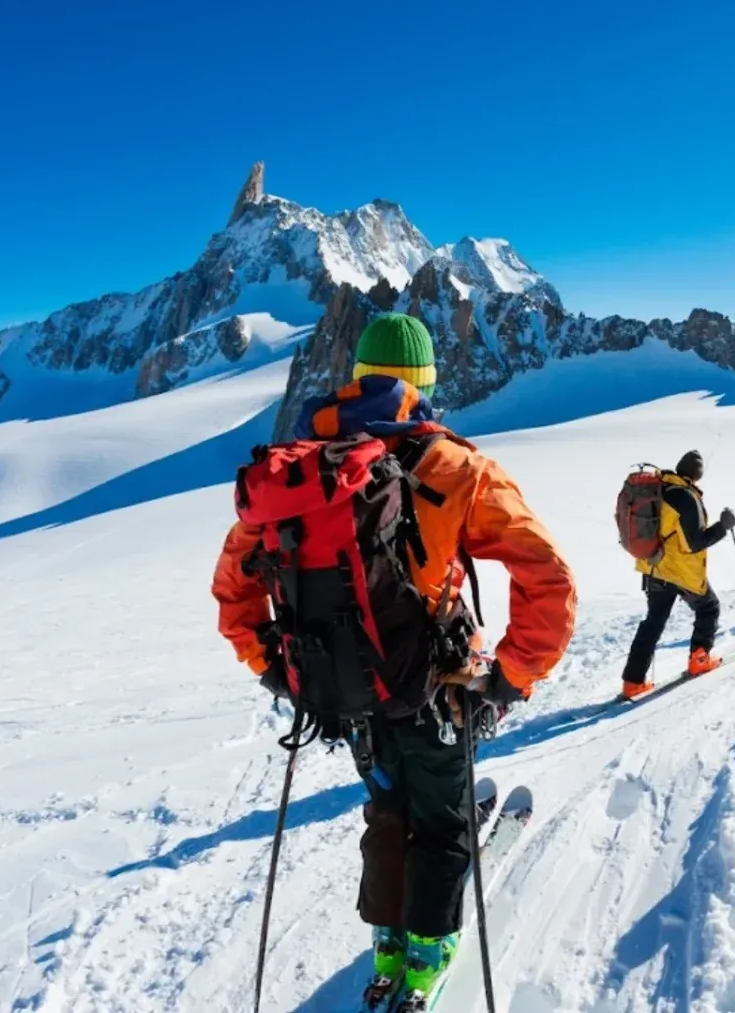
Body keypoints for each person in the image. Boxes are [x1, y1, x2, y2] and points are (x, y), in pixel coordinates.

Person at [211, 313, 577, 1012]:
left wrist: (276, 668)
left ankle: (387, 942)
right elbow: (549, 579)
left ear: (356, 380)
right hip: (437, 690)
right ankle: (427, 951)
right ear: (425, 383)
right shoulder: (454, 468)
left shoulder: (299, 473)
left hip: (345, 692)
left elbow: (235, 587)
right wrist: (509, 677)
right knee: (439, 820)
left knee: (386, 808)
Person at [619, 450, 735, 698]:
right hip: (679, 571)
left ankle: (632, 682)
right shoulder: (685, 497)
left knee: (653, 622)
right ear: (697, 475)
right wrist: (723, 527)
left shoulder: (659, 488)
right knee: (709, 608)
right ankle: (699, 660)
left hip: (653, 567)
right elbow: (695, 543)